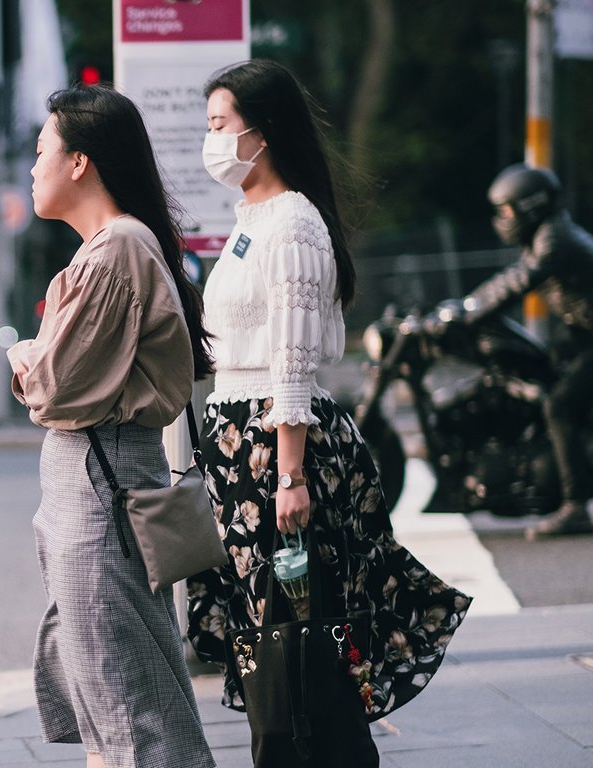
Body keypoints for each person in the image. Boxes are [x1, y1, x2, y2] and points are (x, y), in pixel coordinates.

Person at [184, 59, 472, 768]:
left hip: (279, 451)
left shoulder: (295, 223)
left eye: (220, 124)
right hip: (241, 448)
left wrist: (288, 474)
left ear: (264, 130)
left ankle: (317, 750)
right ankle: (292, 746)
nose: (211, 140)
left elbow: (291, 360)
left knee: (306, 627)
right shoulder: (251, 219)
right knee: (274, 627)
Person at [7, 84, 217, 768]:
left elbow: (55, 387)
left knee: (127, 704)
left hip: (99, 488)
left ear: (79, 162)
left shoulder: (118, 247)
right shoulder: (114, 245)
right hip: (95, 482)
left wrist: (22, 355)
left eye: (41, 151)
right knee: (110, 695)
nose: (32, 168)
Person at [445, 164, 593, 539]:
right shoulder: (546, 236)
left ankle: (575, 506)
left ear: (528, 206)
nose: (501, 219)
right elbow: (511, 276)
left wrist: (470, 314)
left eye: (505, 211)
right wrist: (467, 306)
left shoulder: (555, 239)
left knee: (558, 404)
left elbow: (521, 281)